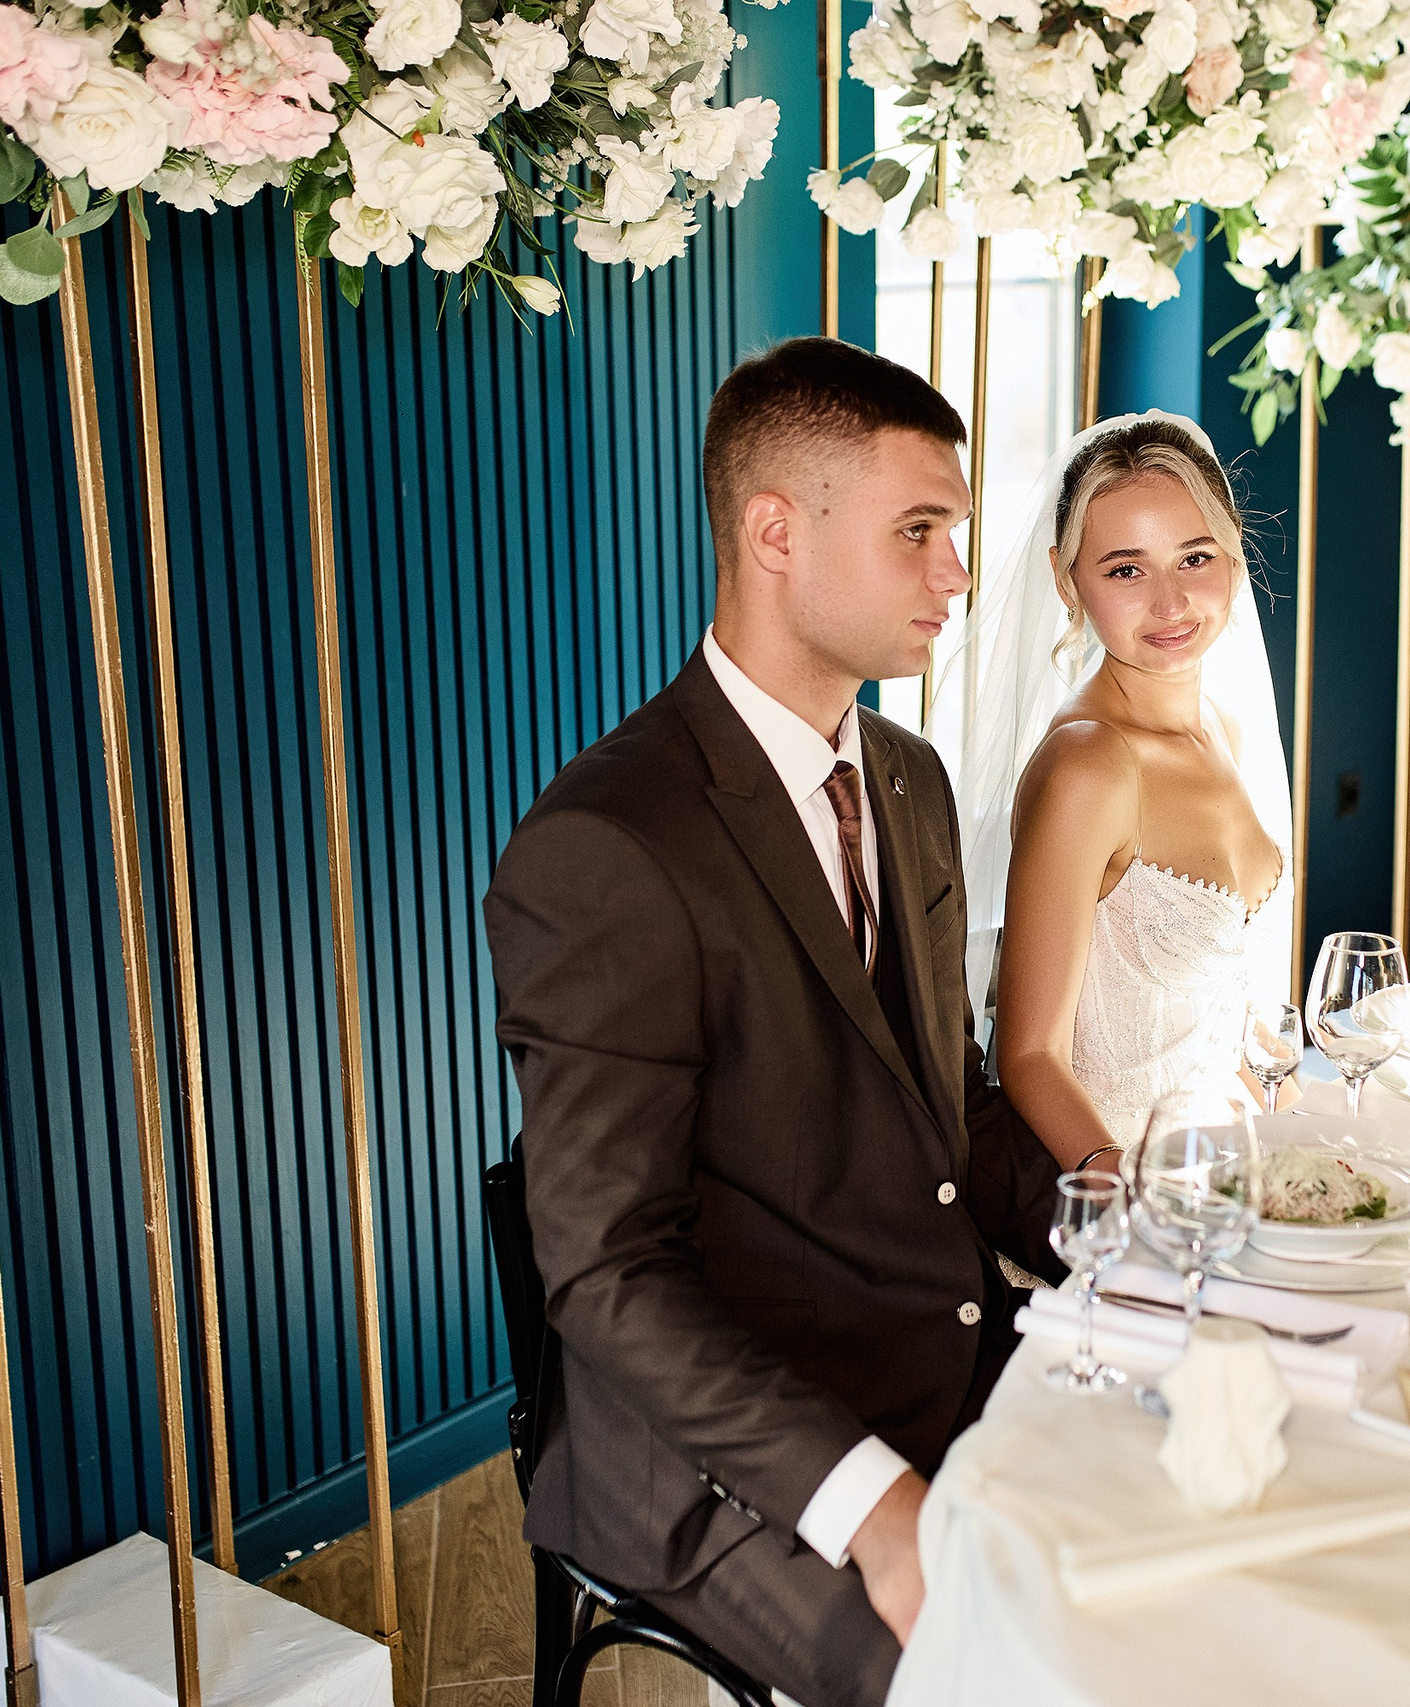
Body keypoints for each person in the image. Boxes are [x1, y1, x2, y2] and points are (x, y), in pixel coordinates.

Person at [483, 337, 1064, 1707]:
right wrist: (873, 1504)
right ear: (774, 532)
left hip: (946, 1353)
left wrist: (1125, 1239)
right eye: (920, 531)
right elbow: (608, 1270)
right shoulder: (606, 846)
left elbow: (956, 1102)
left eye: (957, 533)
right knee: (1007, 1677)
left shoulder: (909, 782)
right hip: (716, 1460)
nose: (958, 574)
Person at [964, 413, 1295, 1171]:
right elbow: (1030, 1056)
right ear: (1065, 578)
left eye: (1194, 556)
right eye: (1125, 569)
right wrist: (1135, 1216)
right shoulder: (1090, 768)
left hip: (1225, 1169)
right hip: (1118, 1207)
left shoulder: (1224, 730)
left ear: (1234, 555)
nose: (1171, 602)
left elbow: (1205, 1018)